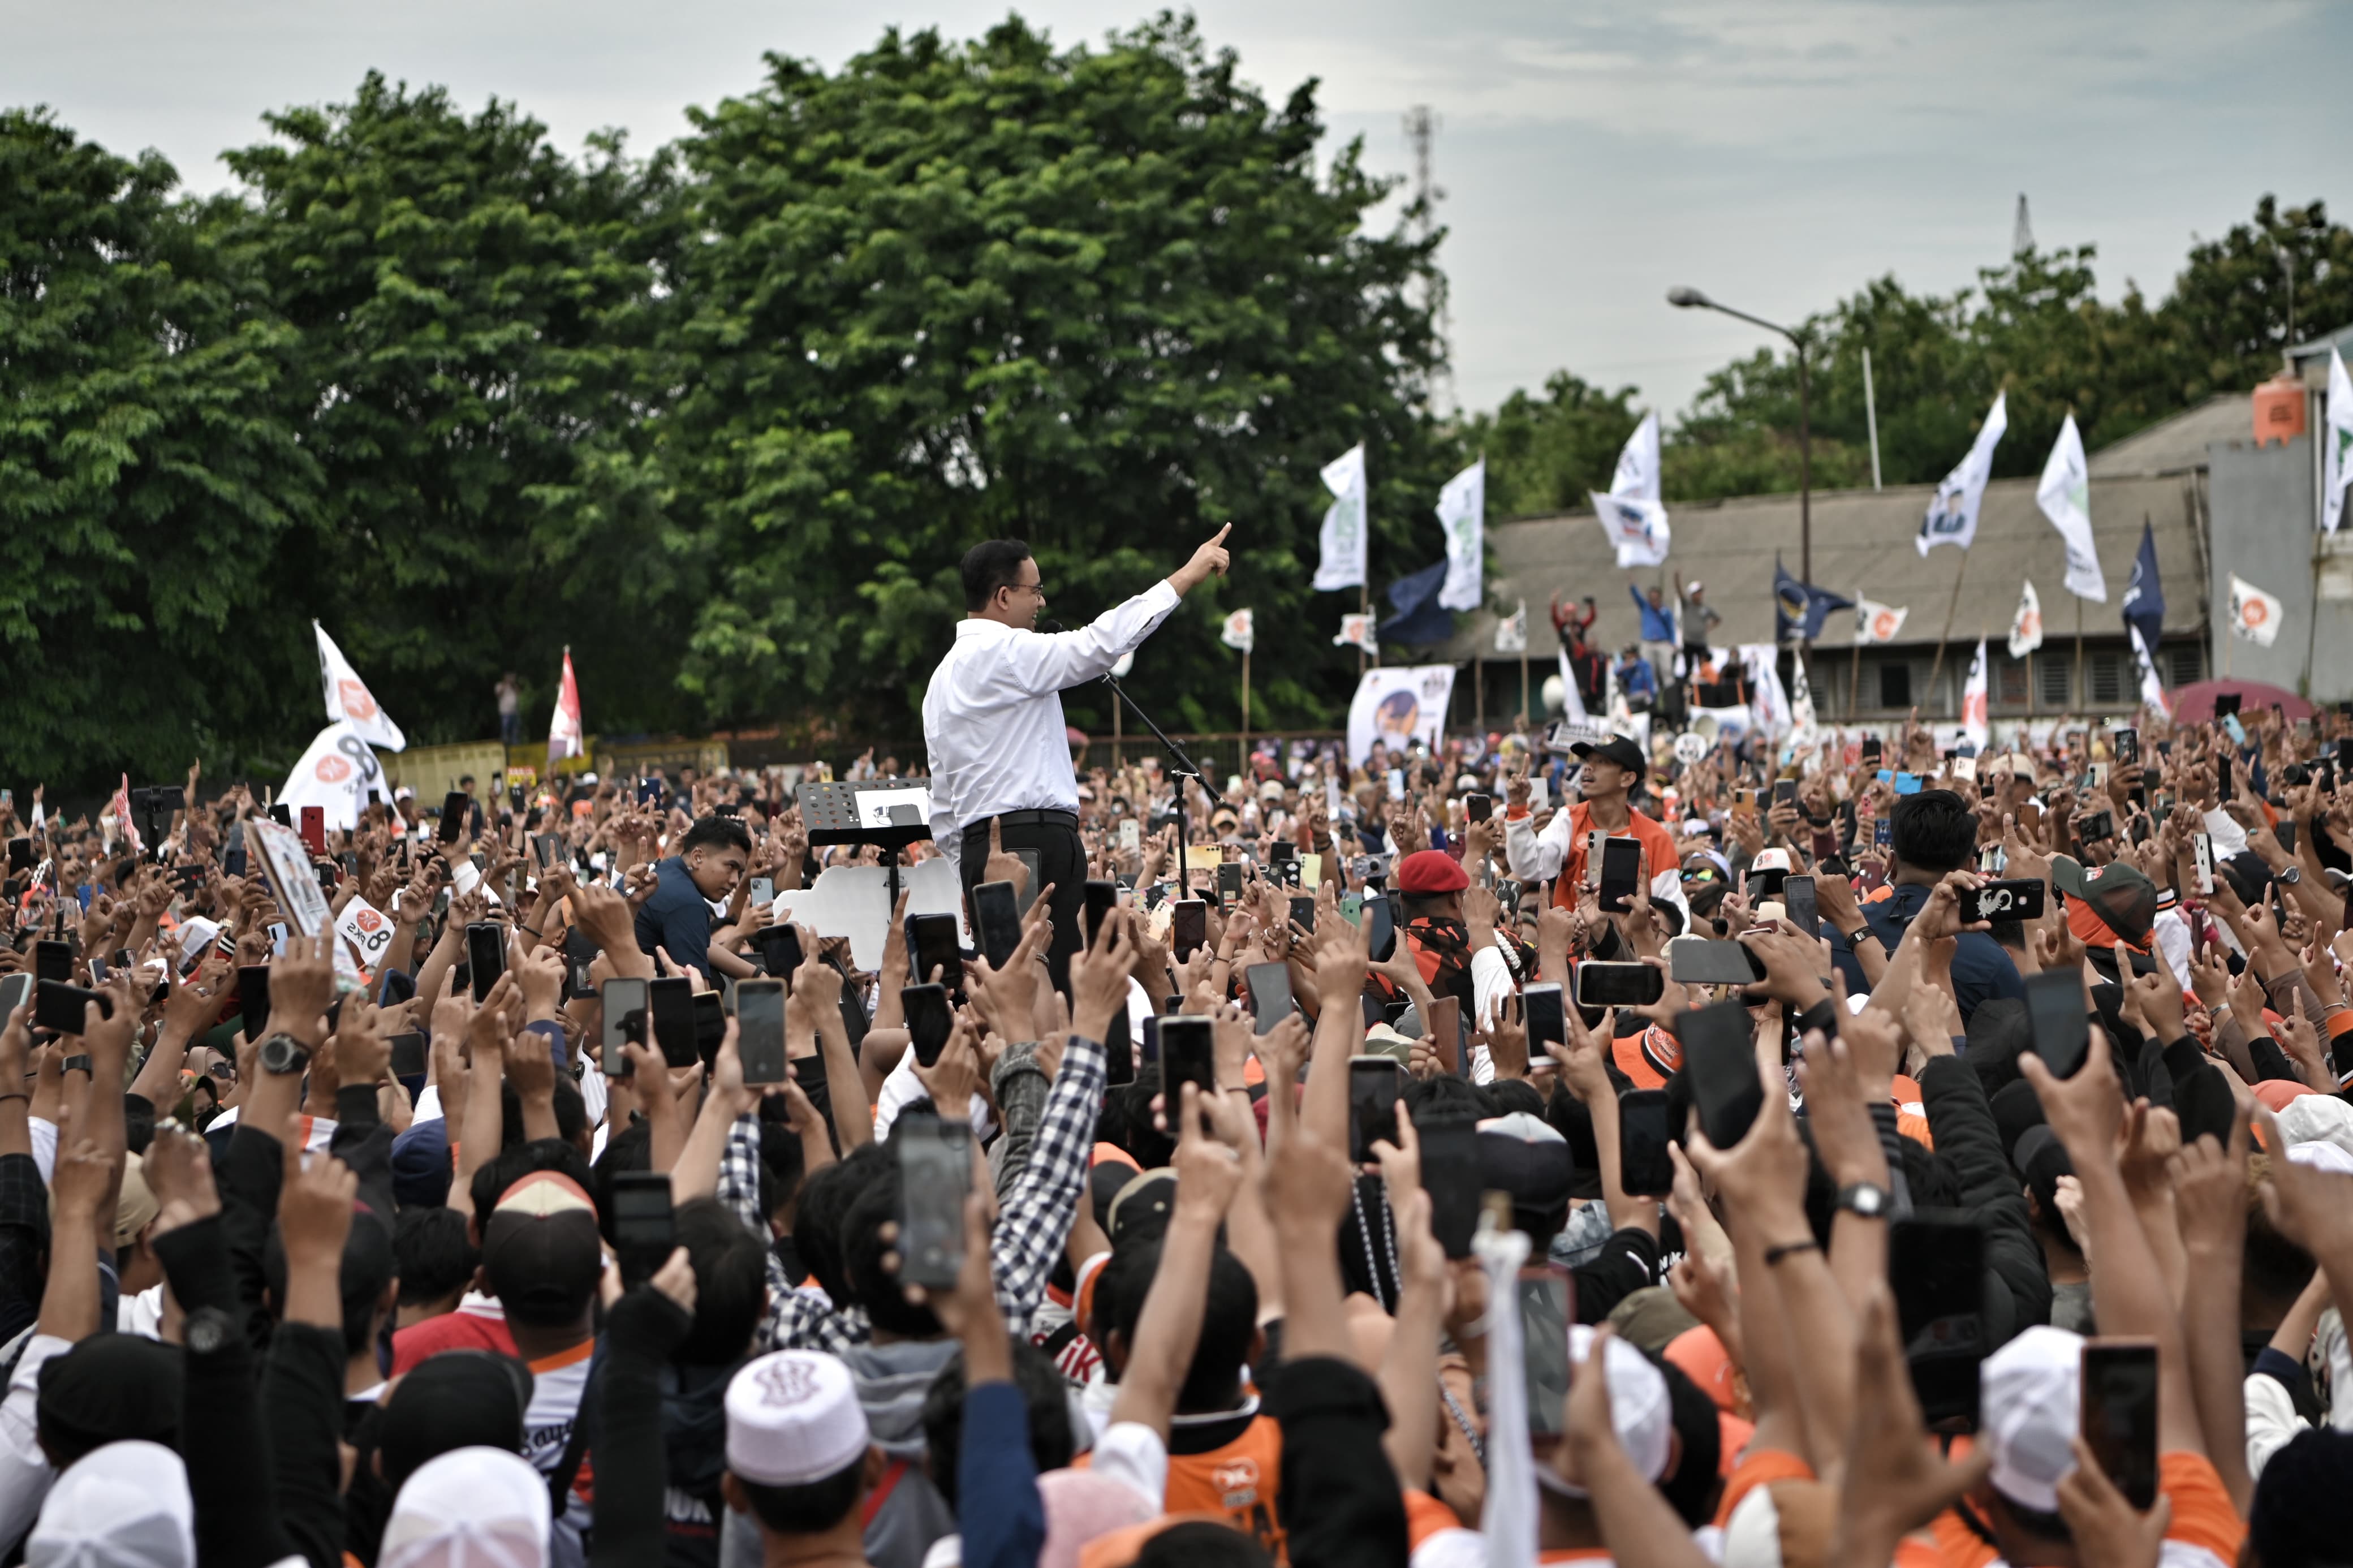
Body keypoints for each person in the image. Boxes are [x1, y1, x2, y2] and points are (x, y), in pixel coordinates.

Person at [923, 529, 1231, 988]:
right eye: (1036, 590)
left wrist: (967, 872)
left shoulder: (940, 680)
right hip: (1032, 844)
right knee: (1054, 985)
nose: (1042, 603)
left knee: (1009, 990)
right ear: (1003, 596)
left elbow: (943, 799)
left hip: (980, 848)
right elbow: (1099, 644)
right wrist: (1185, 576)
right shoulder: (1008, 652)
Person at [1501, 736, 1684, 921]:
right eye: (1588, 761)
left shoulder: (1657, 837)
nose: (1588, 767)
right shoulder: (1569, 819)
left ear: (1627, 778)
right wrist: (1517, 810)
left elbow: (1672, 912)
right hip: (1572, 945)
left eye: (1602, 762)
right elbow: (1530, 866)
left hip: (1633, 947)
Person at [635, 814, 756, 981]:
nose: (735, 880)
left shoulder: (662, 871)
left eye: (740, 873)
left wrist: (756, 973)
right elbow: (700, 997)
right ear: (698, 857)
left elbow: (702, 944)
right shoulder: (687, 902)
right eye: (730, 866)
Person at [1628, 584, 1676, 688]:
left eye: (1656, 598)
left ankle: (1670, 692)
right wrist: (1632, 585)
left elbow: (1671, 628)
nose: (1654, 601)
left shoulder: (1665, 611)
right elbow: (1637, 596)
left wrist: (1673, 643)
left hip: (1663, 642)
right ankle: (1653, 691)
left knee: (1666, 668)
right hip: (1648, 642)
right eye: (1652, 598)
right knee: (1649, 669)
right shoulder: (1645, 607)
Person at [496, 673, 522, 747]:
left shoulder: (514, 687)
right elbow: (499, 694)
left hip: (515, 712)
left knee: (515, 732)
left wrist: (513, 684)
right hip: (505, 713)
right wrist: (506, 684)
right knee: (505, 732)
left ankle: (515, 747)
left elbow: (519, 692)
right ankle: (504, 747)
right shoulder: (500, 685)